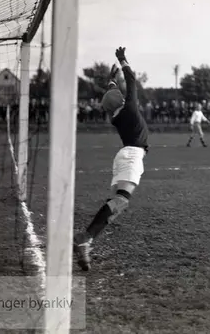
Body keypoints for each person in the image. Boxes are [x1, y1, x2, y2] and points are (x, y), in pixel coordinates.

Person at [74, 47, 148, 271]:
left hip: (124, 155)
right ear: (122, 101)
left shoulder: (116, 115)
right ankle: (86, 238)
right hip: (132, 155)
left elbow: (113, 96)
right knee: (121, 201)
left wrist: (111, 81)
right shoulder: (131, 109)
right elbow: (132, 80)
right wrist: (123, 60)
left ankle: (87, 238)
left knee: (117, 202)